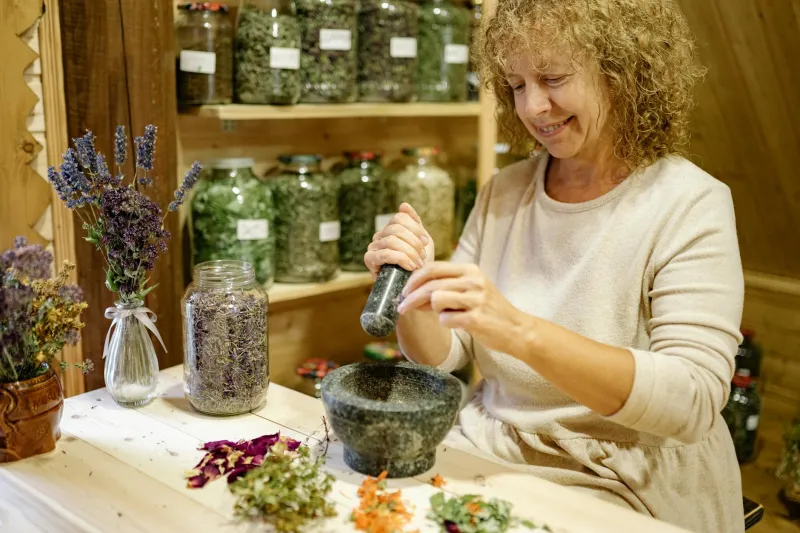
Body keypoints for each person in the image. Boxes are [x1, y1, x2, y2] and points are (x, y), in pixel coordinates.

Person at [363, 0, 744, 531]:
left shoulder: (688, 202)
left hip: (625, 474)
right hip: (490, 447)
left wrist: (519, 330)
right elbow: (444, 354)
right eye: (516, 85)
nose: (533, 107)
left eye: (552, 78)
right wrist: (414, 292)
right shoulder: (506, 190)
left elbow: (692, 400)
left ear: (623, 71)